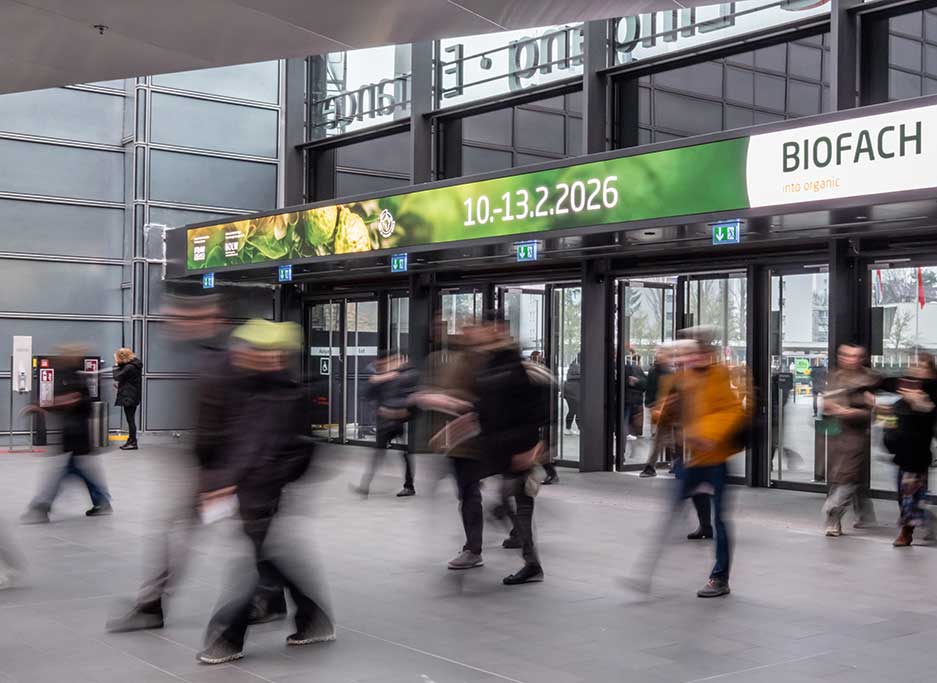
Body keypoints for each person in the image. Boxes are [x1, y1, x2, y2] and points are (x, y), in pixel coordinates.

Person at [107, 295, 286, 633]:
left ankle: (283, 600)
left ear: (212, 317)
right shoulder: (209, 356)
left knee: (249, 537)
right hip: (215, 469)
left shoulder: (232, 359)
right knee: (243, 535)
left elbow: (248, 420)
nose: (177, 323)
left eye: (188, 316)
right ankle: (154, 602)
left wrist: (224, 476)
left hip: (227, 471)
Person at [197, 319, 332, 665]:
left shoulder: (288, 394)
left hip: (264, 488)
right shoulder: (250, 387)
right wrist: (220, 480)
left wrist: (247, 480)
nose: (244, 355)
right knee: (265, 558)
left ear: (275, 355)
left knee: (252, 562)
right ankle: (312, 616)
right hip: (244, 487)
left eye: (254, 350)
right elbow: (237, 440)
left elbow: (279, 449)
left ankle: (228, 636)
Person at [631, 328, 746, 598]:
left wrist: (708, 434)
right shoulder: (681, 378)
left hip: (715, 457)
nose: (686, 359)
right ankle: (645, 573)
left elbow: (731, 411)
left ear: (705, 353)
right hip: (691, 459)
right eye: (683, 355)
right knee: (670, 513)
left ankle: (719, 578)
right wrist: (661, 411)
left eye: (692, 354)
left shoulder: (720, 375)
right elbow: (663, 414)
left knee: (721, 520)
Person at [470, 312, 544, 585]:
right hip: (500, 446)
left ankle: (531, 562)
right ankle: (530, 559)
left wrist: (532, 447)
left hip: (517, 447)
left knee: (518, 503)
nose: (478, 333)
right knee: (511, 502)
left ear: (497, 329)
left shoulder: (514, 365)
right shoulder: (490, 362)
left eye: (484, 328)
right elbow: (487, 402)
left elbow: (533, 408)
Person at [21, 346, 113, 523]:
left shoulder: (77, 378)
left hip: (77, 435)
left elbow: (72, 399)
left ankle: (41, 507)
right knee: (76, 471)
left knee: (61, 473)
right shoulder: (75, 376)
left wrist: (42, 406)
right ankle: (102, 502)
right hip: (75, 435)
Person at [822, 344, 880, 537]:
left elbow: (870, 412)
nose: (850, 359)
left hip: (855, 437)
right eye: (846, 355)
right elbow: (827, 406)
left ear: (862, 358)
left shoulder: (868, 379)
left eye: (856, 356)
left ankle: (834, 512)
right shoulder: (835, 376)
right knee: (846, 476)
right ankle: (864, 514)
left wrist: (846, 411)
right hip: (836, 435)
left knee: (848, 476)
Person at [882, 354, 937, 547]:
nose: (917, 369)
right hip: (900, 457)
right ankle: (926, 522)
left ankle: (906, 533)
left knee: (910, 496)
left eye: (922, 366)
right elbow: (887, 425)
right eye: (914, 365)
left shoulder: (930, 400)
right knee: (904, 497)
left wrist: (920, 404)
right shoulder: (899, 402)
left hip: (918, 457)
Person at [353, 353, 419, 497]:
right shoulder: (384, 376)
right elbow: (367, 394)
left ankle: (409, 486)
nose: (386, 365)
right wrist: (377, 381)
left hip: (398, 421)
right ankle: (365, 485)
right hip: (386, 422)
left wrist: (398, 412)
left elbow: (412, 398)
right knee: (378, 453)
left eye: (391, 361)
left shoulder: (408, 375)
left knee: (404, 454)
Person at [641, 344, 672, 478]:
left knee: (663, 438)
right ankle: (652, 466)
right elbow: (650, 387)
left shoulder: (670, 372)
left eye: (661, 353)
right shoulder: (654, 370)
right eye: (658, 353)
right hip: (658, 408)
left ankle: (651, 466)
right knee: (661, 437)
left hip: (667, 409)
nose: (658, 355)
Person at [113, 347, 143, 450]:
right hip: (132, 395)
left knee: (130, 420)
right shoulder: (134, 365)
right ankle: (131, 440)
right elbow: (128, 380)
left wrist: (116, 365)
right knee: (130, 419)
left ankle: (133, 442)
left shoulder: (129, 367)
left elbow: (117, 376)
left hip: (129, 396)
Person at [623, 349, 647, 445]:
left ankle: (623, 431)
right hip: (633, 396)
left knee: (626, 414)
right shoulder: (636, 368)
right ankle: (627, 432)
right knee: (628, 414)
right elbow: (644, 383)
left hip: (626, 396)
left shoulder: (623, 367)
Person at [563, 352, 581, 435]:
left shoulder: (573, 365)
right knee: (576, 411)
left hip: (570, 392)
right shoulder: (577, 367)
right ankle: (579, 428)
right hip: (574, 392)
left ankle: (568, 428)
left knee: (572, 411)